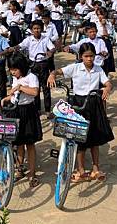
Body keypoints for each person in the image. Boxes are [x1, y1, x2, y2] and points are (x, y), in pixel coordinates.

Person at [47, 42, 113, 182]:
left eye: (91, 56)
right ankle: (81, 170)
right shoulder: (75, 68)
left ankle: (96, 169)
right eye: (86, 56)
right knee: (79, 137)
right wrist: (52, 75)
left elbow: (107, 83)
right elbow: (58, 71)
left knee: (95, 138)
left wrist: (107, 88)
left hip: (94, 104)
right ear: (81, 56)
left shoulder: (98, 69)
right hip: (78, 104)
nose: (89, 59)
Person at [1, 53, 42, 187]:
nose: (12, 72)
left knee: (30, 144)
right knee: (18, 143)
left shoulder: (31, 77)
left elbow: (35, 92)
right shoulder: (15, 78)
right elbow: (15, 95)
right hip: (16, 110)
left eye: (15, 69)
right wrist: (7, 98)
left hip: (28, 111)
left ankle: (32, 173)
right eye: (11, 69)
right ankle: (19, 169)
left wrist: (20, 87)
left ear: (22, 67)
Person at [17, 20, 56, 115]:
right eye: (34, 28)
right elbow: (20, 46)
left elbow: (52, 48)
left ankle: (47, 110)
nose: (37, 30)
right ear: (31, 30)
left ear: (42, 29)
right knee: (35, 87)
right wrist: (12, 49)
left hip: (43, 64)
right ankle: (37, 109)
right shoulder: (28, 39)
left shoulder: (45, 39)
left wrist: (50, 52)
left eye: (38, 28)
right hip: (33, 65)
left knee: (46, 88)